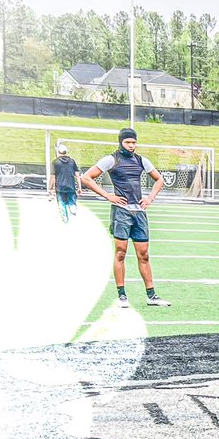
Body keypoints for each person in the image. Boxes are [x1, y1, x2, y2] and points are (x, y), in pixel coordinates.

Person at [81, 127, 172, 308]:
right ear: (121, 142)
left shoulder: (141, 160)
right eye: (128, 142)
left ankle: (151, 296)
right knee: (121, 253)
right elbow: (86, 178)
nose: (132, 146)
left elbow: (159, 179)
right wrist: (108, 196)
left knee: (144, 255)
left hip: (139, 213)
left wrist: (150, 198)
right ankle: (122, 296)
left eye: (134, 142)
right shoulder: (111, 159)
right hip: (121, 212)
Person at [48, 143, 81, 223]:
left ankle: (65, 221)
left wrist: (50, 188)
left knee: (62, 205)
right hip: (71, 186)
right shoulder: (72, 161)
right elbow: (77, 175)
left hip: (60, 187)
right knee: (72, 204)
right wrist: (80, 187)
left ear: (58, 152)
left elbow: (52, 176)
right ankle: (74, 217)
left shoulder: (55, 162)